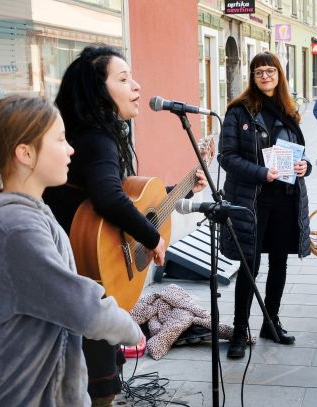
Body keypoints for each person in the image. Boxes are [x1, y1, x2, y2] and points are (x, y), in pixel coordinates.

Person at [42, 45, 206, 406]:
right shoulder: (98, 139)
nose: (136, 85)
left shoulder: (84, 133)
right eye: (123, 78)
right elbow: (108, 198)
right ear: (99, 91)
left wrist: (174, 190)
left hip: (75, 267)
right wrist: (152, 238)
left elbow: (123, 197)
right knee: (101, 385)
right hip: (88, 268)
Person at [0, 96, 143, 406]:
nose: (71, 149)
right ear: (26, 153)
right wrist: (131, 329)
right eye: (60, 139)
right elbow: (81, 307)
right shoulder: (16, 227)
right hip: (19, 392)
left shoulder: (29, 213)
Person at [219, 51, 312, 359]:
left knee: (279, 264)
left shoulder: (289, 109)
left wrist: (305, 167)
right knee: (250, 266)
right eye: (259, 72)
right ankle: (239, 331)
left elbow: (300, 153)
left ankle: (271, 323)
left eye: (270, 71)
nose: (265, 76)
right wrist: (261, 172)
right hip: (252, 201)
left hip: (285, 199)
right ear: (252, 76)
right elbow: (226, 158)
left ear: (279, 74)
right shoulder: (239, 111)